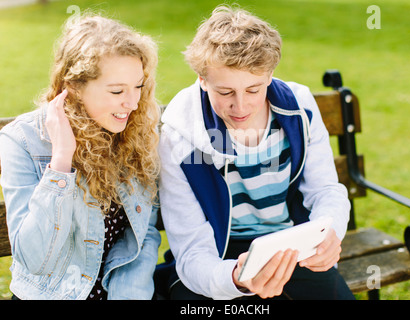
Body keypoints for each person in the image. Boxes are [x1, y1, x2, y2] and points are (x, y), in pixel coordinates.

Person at [158, 5, 354, 300]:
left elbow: (326, 189)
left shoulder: (299, 110)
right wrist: (235, 279)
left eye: (253, 89)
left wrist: (330, 231)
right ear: (202, 79)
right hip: (218, 257)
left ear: (270, 75)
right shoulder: (178, 135)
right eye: (225, 92)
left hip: (291, 245)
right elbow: (192, 251)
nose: (241, 106)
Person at [0, 14, 161, 300]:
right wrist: (61, 162)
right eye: (116, 90)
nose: (133, 102)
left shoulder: (138, 132)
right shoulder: (22, 141)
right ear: (73, 88)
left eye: (138, 86)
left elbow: (142, 236)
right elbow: (34, 260)